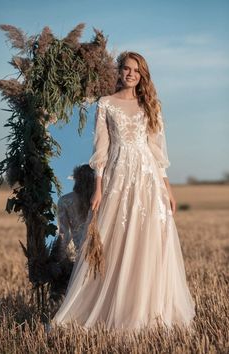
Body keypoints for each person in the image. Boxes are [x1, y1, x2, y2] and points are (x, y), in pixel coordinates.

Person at [52, 51, 195, 331]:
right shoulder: (106, 104)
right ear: (119, 71)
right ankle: (110, 307)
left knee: (150, 239)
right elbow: (100, 150)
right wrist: (98, 188)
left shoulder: (149, 105)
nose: (130, 74)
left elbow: (157, 151)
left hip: (147, 178)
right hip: (118, 176)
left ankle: (147, 309)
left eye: (136, 70)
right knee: (114, 239)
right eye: (126, 68)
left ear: (142, 76)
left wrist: (168, 190)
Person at [57, 164, 95, 259]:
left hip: (81, 253)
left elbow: (64, 234)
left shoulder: (65, 200)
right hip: (101, 250)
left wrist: (57, 257)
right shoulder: (101, 200)